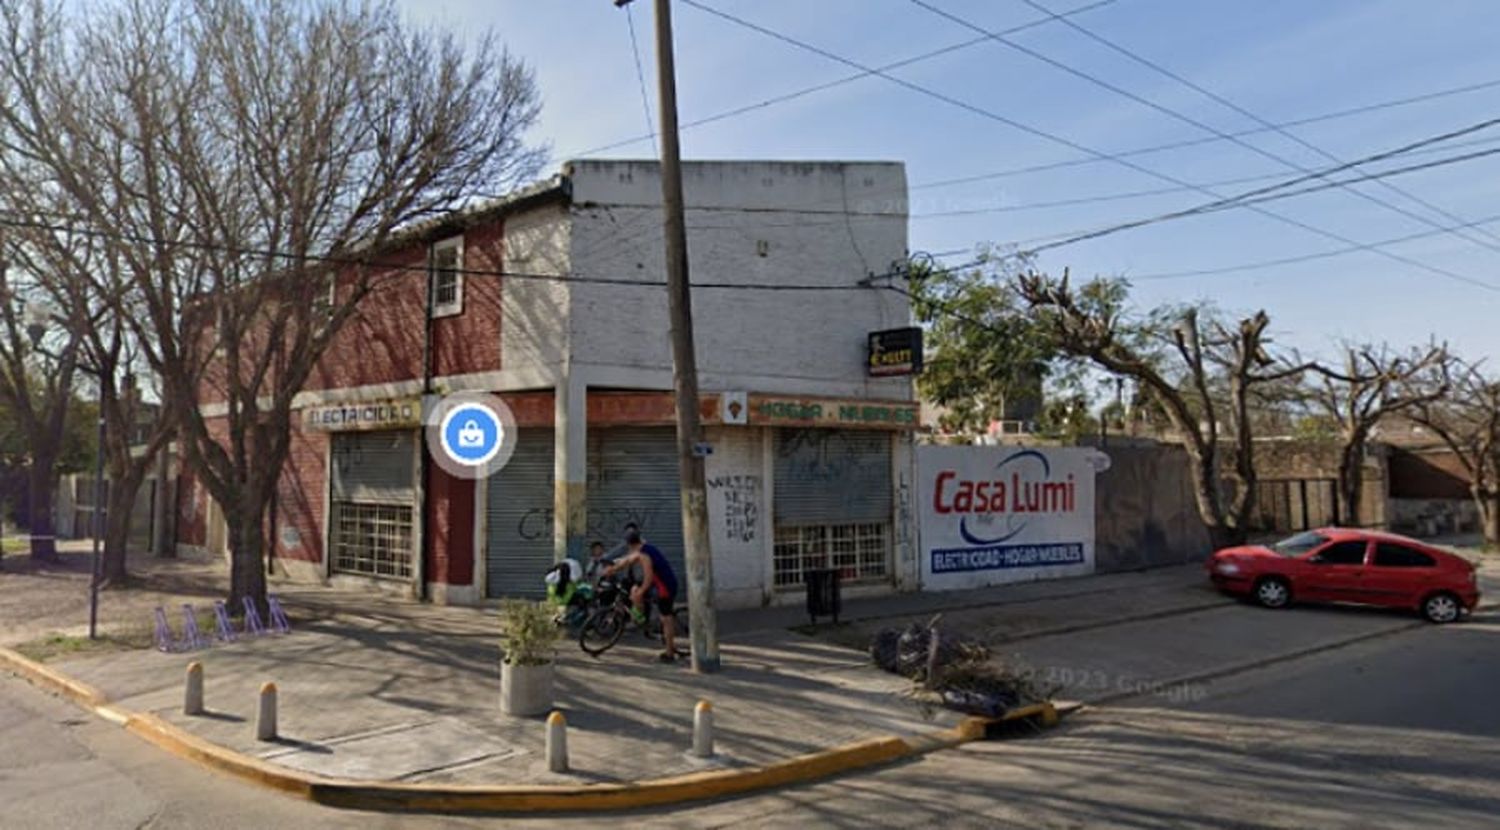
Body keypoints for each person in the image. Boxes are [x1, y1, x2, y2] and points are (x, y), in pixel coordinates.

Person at [602, 529, 680, 663]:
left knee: (665, 619)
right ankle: (641, 618)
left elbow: (648, 577)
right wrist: (612, 569)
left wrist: (642, 591)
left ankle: (669, 653)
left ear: (629, 544)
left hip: (665, 587)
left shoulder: (645, 554)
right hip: (658, 584)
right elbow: (627, 560)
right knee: (634, 590)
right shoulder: (642, 549)